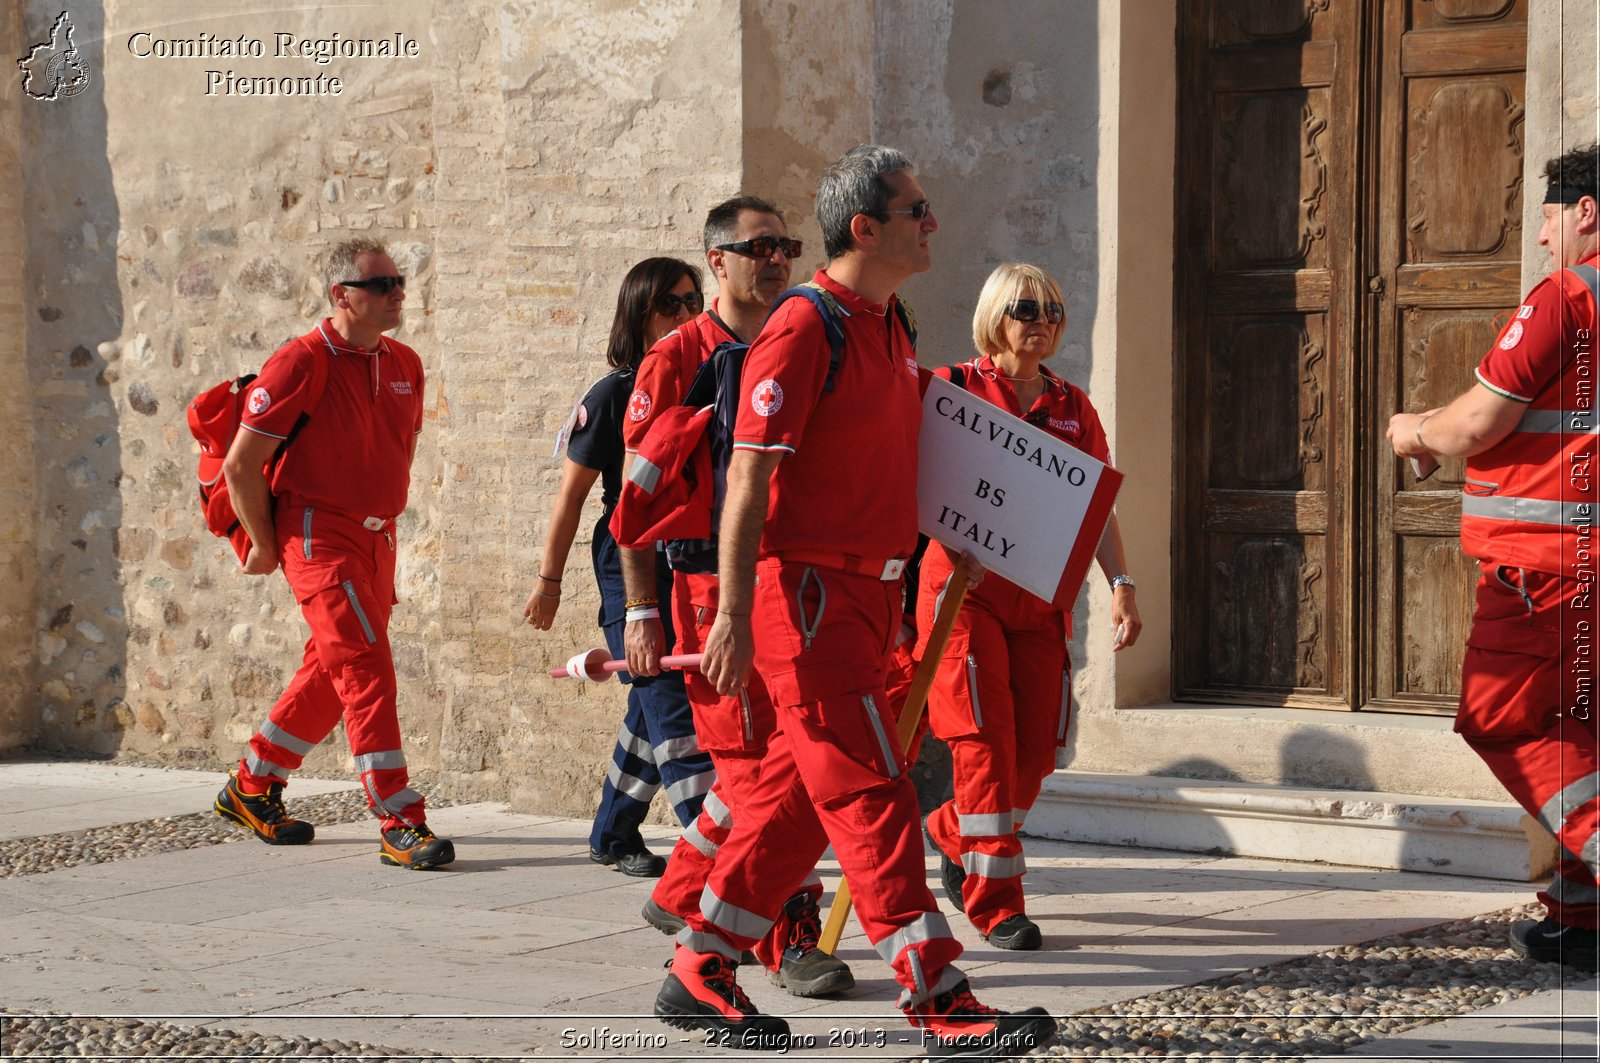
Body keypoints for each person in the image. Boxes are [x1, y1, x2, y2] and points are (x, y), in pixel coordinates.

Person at [653, 145, 1057, 1059]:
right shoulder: (805, 325)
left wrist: (967, 527)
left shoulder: (888, 322)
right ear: (865, 227)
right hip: (806, 600)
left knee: (801, 800)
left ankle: (698, 961)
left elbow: (898, 451)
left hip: (868, 597)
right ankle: (938, 995)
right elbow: (749, 477)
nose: (933, 223)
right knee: (876, 790)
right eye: (917, 210)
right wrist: (728, 615)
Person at [618, 196, 854, 996]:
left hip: (791, 583)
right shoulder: (676, 358)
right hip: (710, 585)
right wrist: (643, 611)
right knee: (760, 769)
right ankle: (783, 931)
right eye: (760, 245)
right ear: (717, 259)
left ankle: (686, 888)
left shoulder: (801, 336)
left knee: (787, 757)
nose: (779, 257)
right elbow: (637, 498)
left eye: (787, 244)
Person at [1387, 142, 1600, 973]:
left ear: (1585, 211)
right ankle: (1581, 922)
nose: (1543, 240)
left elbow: (1478, 423)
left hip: (1543, 570)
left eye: (1546, 218)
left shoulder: (1567, 298)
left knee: (1504, 718)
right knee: (1579, 731)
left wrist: (1414, 431)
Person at [918, 263, 1141, 951]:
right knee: (984, 743)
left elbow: (1096, 508)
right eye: (1024, 307)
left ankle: (951, 831)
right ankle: (996, 902)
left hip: (1041, 602)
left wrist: (1123, 583)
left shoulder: (1075, 405)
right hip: (964, 595)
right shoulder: (950, 391)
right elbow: (903, 483)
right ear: (995, 314)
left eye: (1051, 307)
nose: (1039, 319)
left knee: (1037, 754)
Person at [211, 238, 451, 869]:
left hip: (379, 538)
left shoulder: (405, 361)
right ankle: (399, 816)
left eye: (399, 281)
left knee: (330, 665)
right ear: (341, 295)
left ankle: (253, 782)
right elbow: (240, 464)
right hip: (318, 534)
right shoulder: (299, 362)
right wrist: (265, 544)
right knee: (366, 665)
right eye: (381, 285)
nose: (398, 292)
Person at [523, 257, 717, 876]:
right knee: (669, 699)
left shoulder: (712, 379)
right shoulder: (613, 394)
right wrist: (548, 582)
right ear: (637, 318)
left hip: (689, 556)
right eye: (670, 305)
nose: (686, 315)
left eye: (693, 302)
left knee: (647, 697)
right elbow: (571, 499)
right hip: (627, 559)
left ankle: (613, 832)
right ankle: (717, 854)